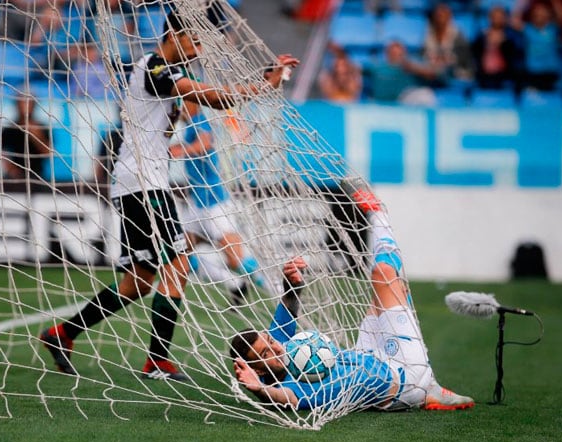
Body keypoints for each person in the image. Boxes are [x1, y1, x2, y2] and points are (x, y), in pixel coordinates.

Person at [40, 10, 298, 380]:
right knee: (179, 263)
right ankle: (157, 360)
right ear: (174, 35)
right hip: (144, 184)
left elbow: (194, 105)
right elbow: (216, 98)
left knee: (140, 281)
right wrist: (262, 84)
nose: (197, 49)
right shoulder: (155, 68)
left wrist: (262, 77)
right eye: (194, 40)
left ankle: (62, 333)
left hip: (137, 182)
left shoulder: (168, 75)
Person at [230, 180, 475, 411]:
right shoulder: (290, 387)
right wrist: (259, 389)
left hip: (368, 353)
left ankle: (400, 293)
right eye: (265, 354)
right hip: (405, 377)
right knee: (384, 273)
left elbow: (290, 302)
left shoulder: (280, 344)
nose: (276, 349)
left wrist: (291, 282)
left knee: (384, 292)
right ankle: (378, 214)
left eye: (269, 343)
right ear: (259, 371)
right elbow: (286, 399)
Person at [170, 101, 266, 306]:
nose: (179, 106)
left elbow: (205, 143)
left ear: (192, 103)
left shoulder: (200, 121)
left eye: (183, 101)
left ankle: (276, 286)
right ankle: (233, 282)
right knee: (179, 252)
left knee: (236, 259)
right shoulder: (188, 125)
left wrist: (182, 150)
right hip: (197, 202)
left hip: (214, 202)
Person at [0, 95, 53, 181]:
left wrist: (36, 135)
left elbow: (48, 153)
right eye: (22, 102)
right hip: (13, 177)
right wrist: (11, 169)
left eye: (29, 102)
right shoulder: (9, 128)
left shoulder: (42, 127)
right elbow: (2, 153)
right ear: (16, 104)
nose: (25, 105)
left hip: (38, 176)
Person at [471, 5, 525, 90]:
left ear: (505, 18)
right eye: (494, 16)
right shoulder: (481, 36)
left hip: (505, 77)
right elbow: (475, 54)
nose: (497, 19)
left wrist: (504, 41)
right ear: (489, 18)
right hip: (485, 76)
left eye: (500, 17)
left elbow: (517, 53)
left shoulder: (512, 36)